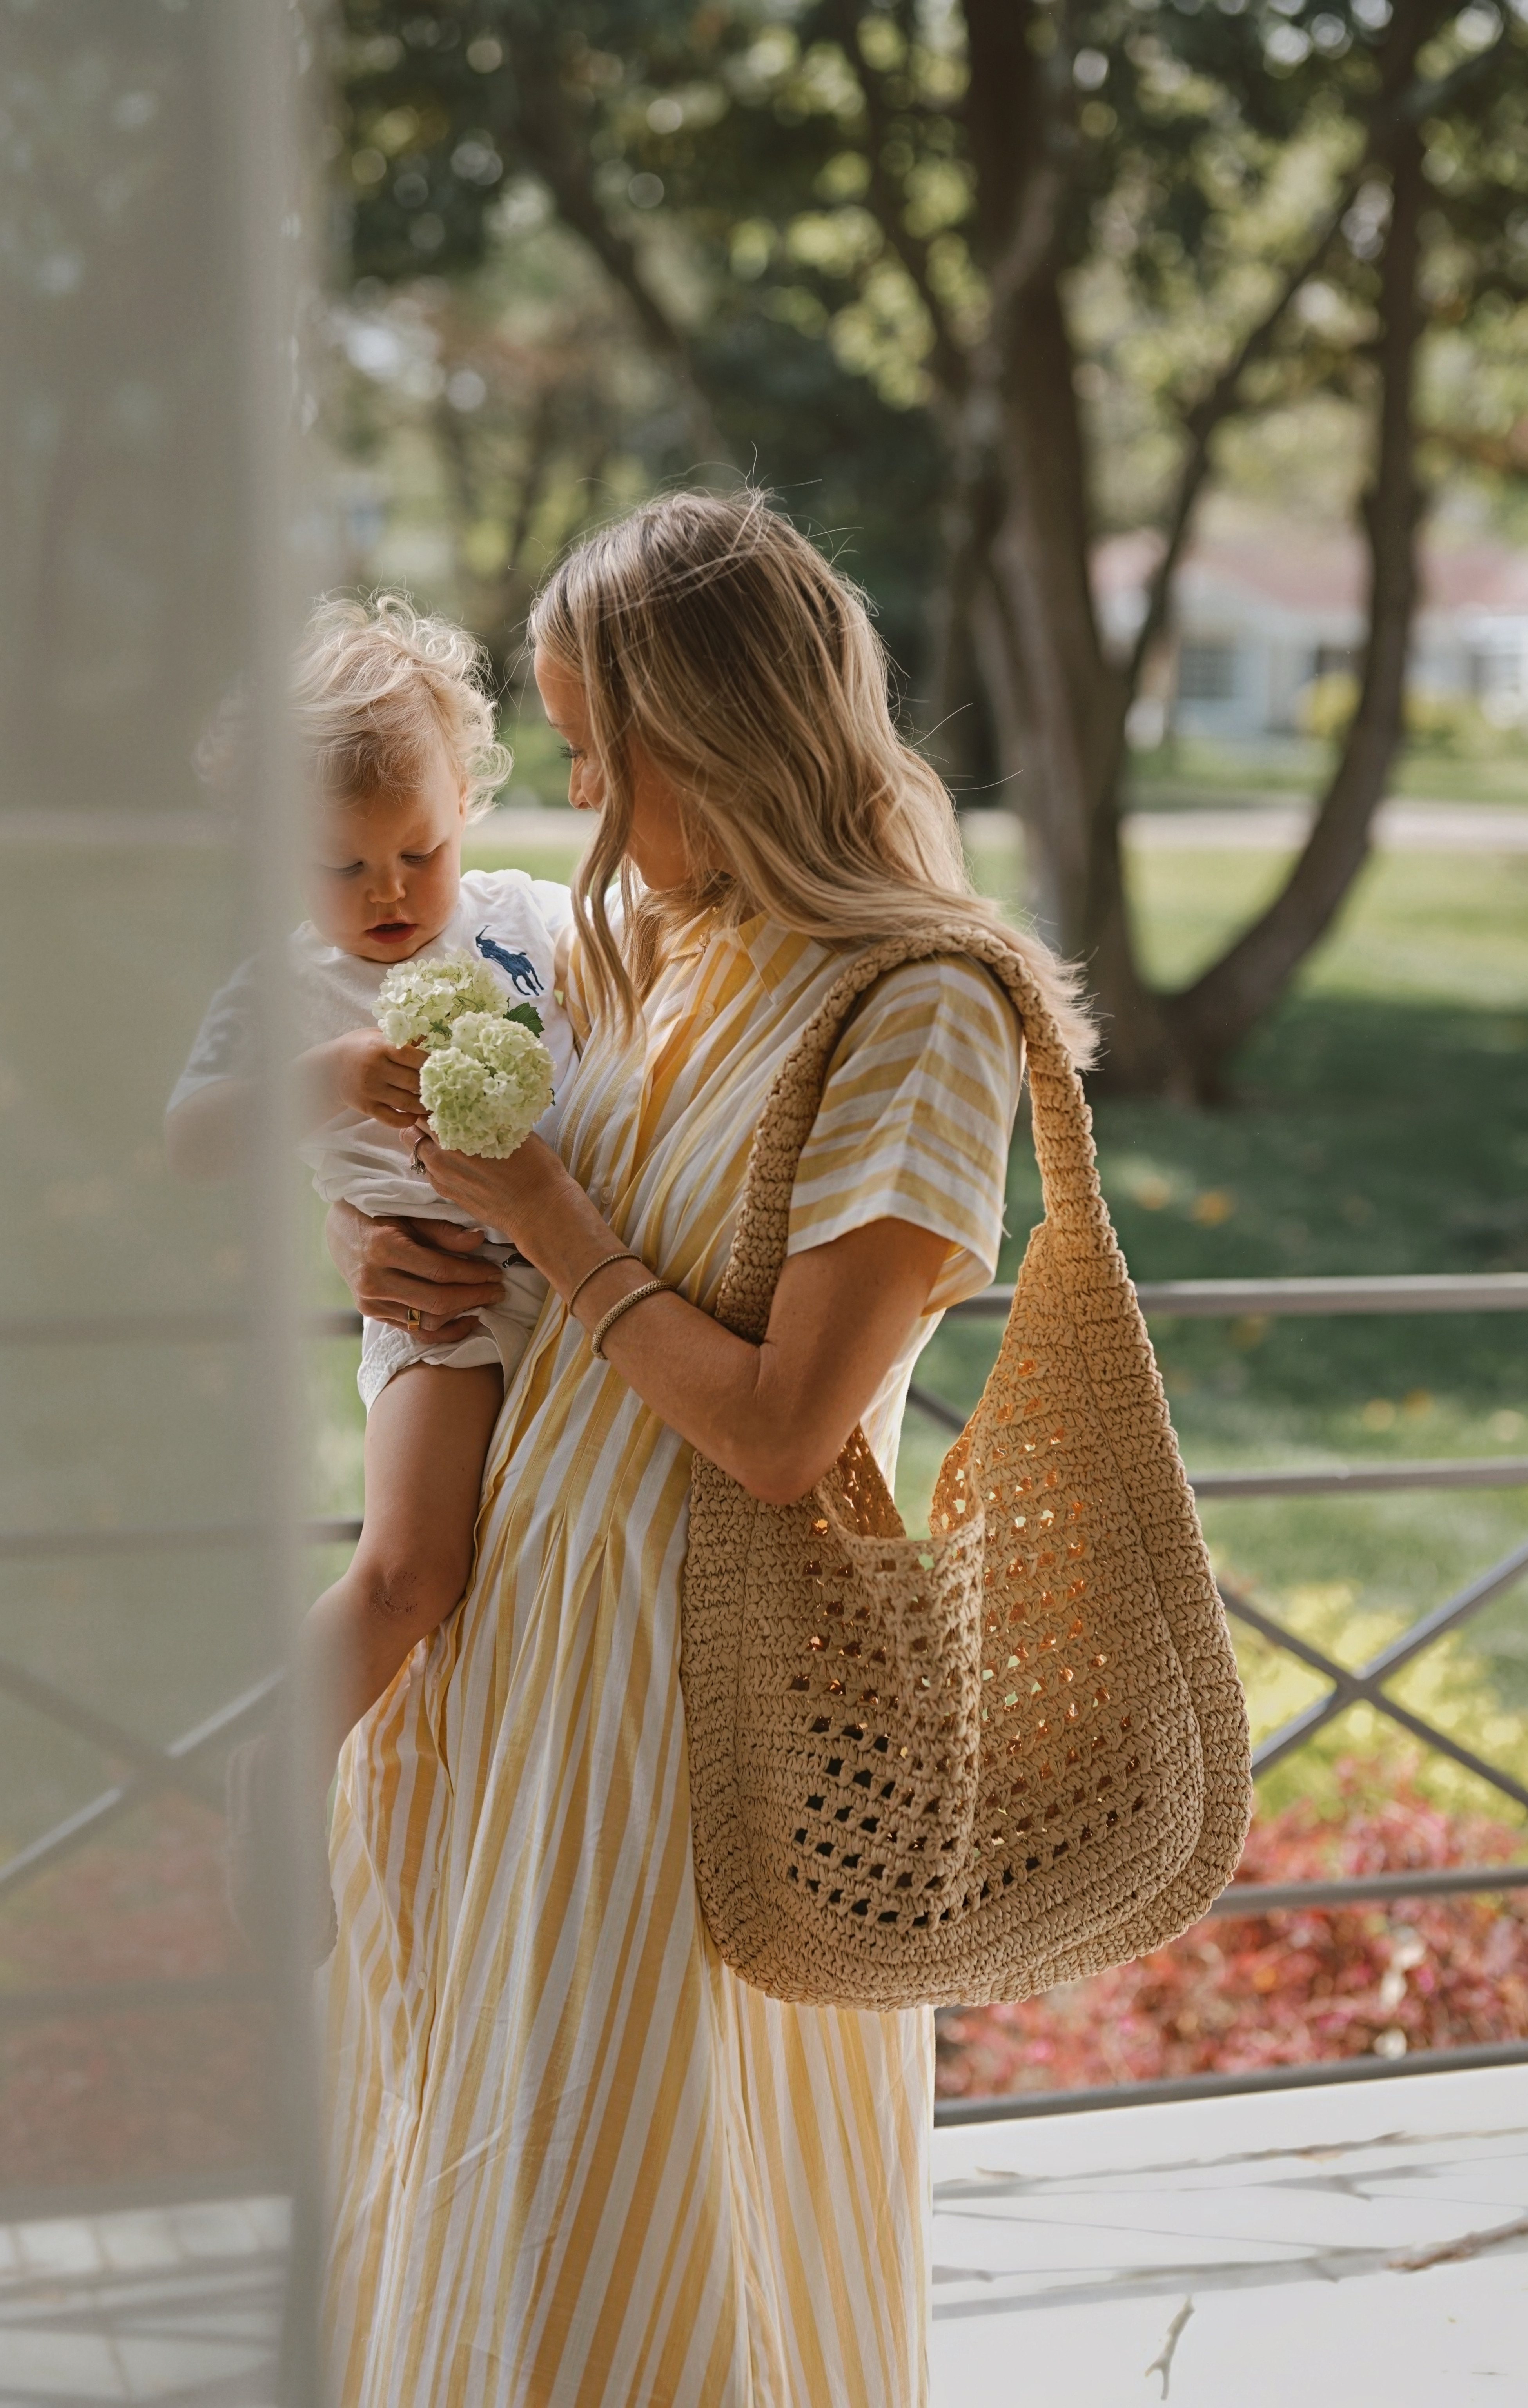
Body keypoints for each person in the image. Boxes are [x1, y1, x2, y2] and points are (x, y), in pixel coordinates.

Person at [319, 492, 1093, 2406]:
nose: (575, 802)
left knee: (641, 2236)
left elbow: (777, 1431)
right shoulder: (654, 944)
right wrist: (382, 1226)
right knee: (489, 2220)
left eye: (597, 752)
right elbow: (503, 1200)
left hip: (697, 1716)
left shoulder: (919, 1003)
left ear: (712, 740)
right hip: (519, 1680)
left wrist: (551, 1224)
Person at [167, 596, 576, 1802]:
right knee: (412, 1571)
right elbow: (194, 1139)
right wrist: (333, 1075)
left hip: (580, 1283)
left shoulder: (530, 921)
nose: (393, 892)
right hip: (438, 1307)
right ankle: (277, 1770)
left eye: (423, 850)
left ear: (469, 808)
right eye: (342, 866)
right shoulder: (282, 987)